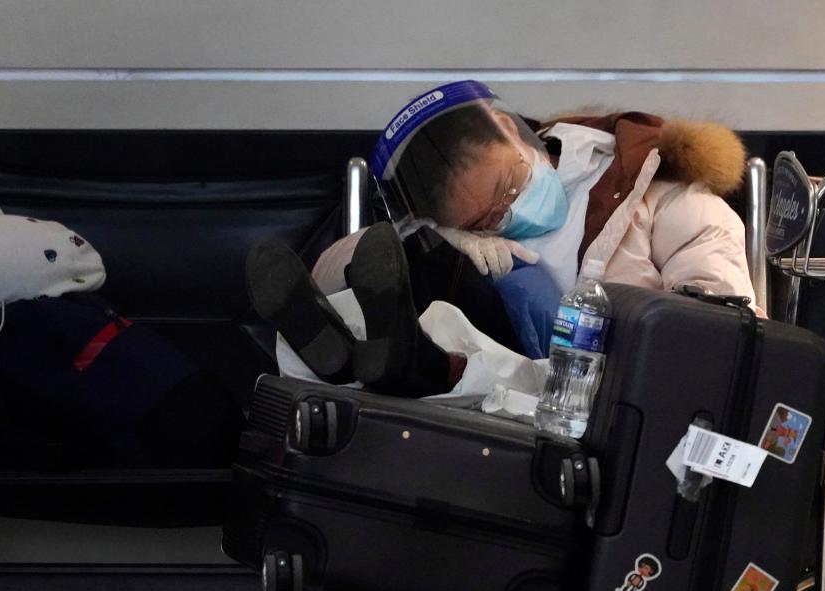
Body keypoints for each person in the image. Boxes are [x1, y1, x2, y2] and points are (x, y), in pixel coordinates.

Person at [247, 79, 755, 393]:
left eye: (507, 187)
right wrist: (446, 240)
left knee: (516, 286)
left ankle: (389, 362)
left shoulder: (664, 198)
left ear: (510, 130)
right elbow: (335, 270)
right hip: (478, 407)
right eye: (483, 220)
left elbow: (722, 336)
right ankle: (344, 355)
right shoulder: (451, 238)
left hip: (590, 386)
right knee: (421, 269)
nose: (506, 213)